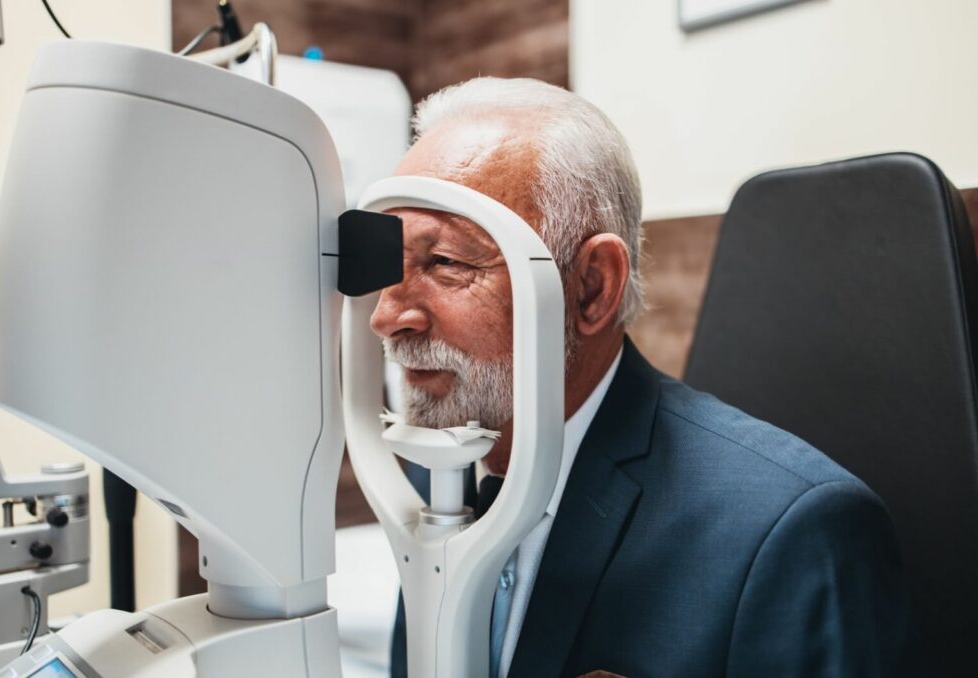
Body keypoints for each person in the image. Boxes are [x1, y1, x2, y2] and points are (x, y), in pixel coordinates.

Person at [372, 77, 917, 677]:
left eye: (445, 262)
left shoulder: (792, 537)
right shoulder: (439, 476)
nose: (388, 316)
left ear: (591, 287)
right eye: (389, 271)